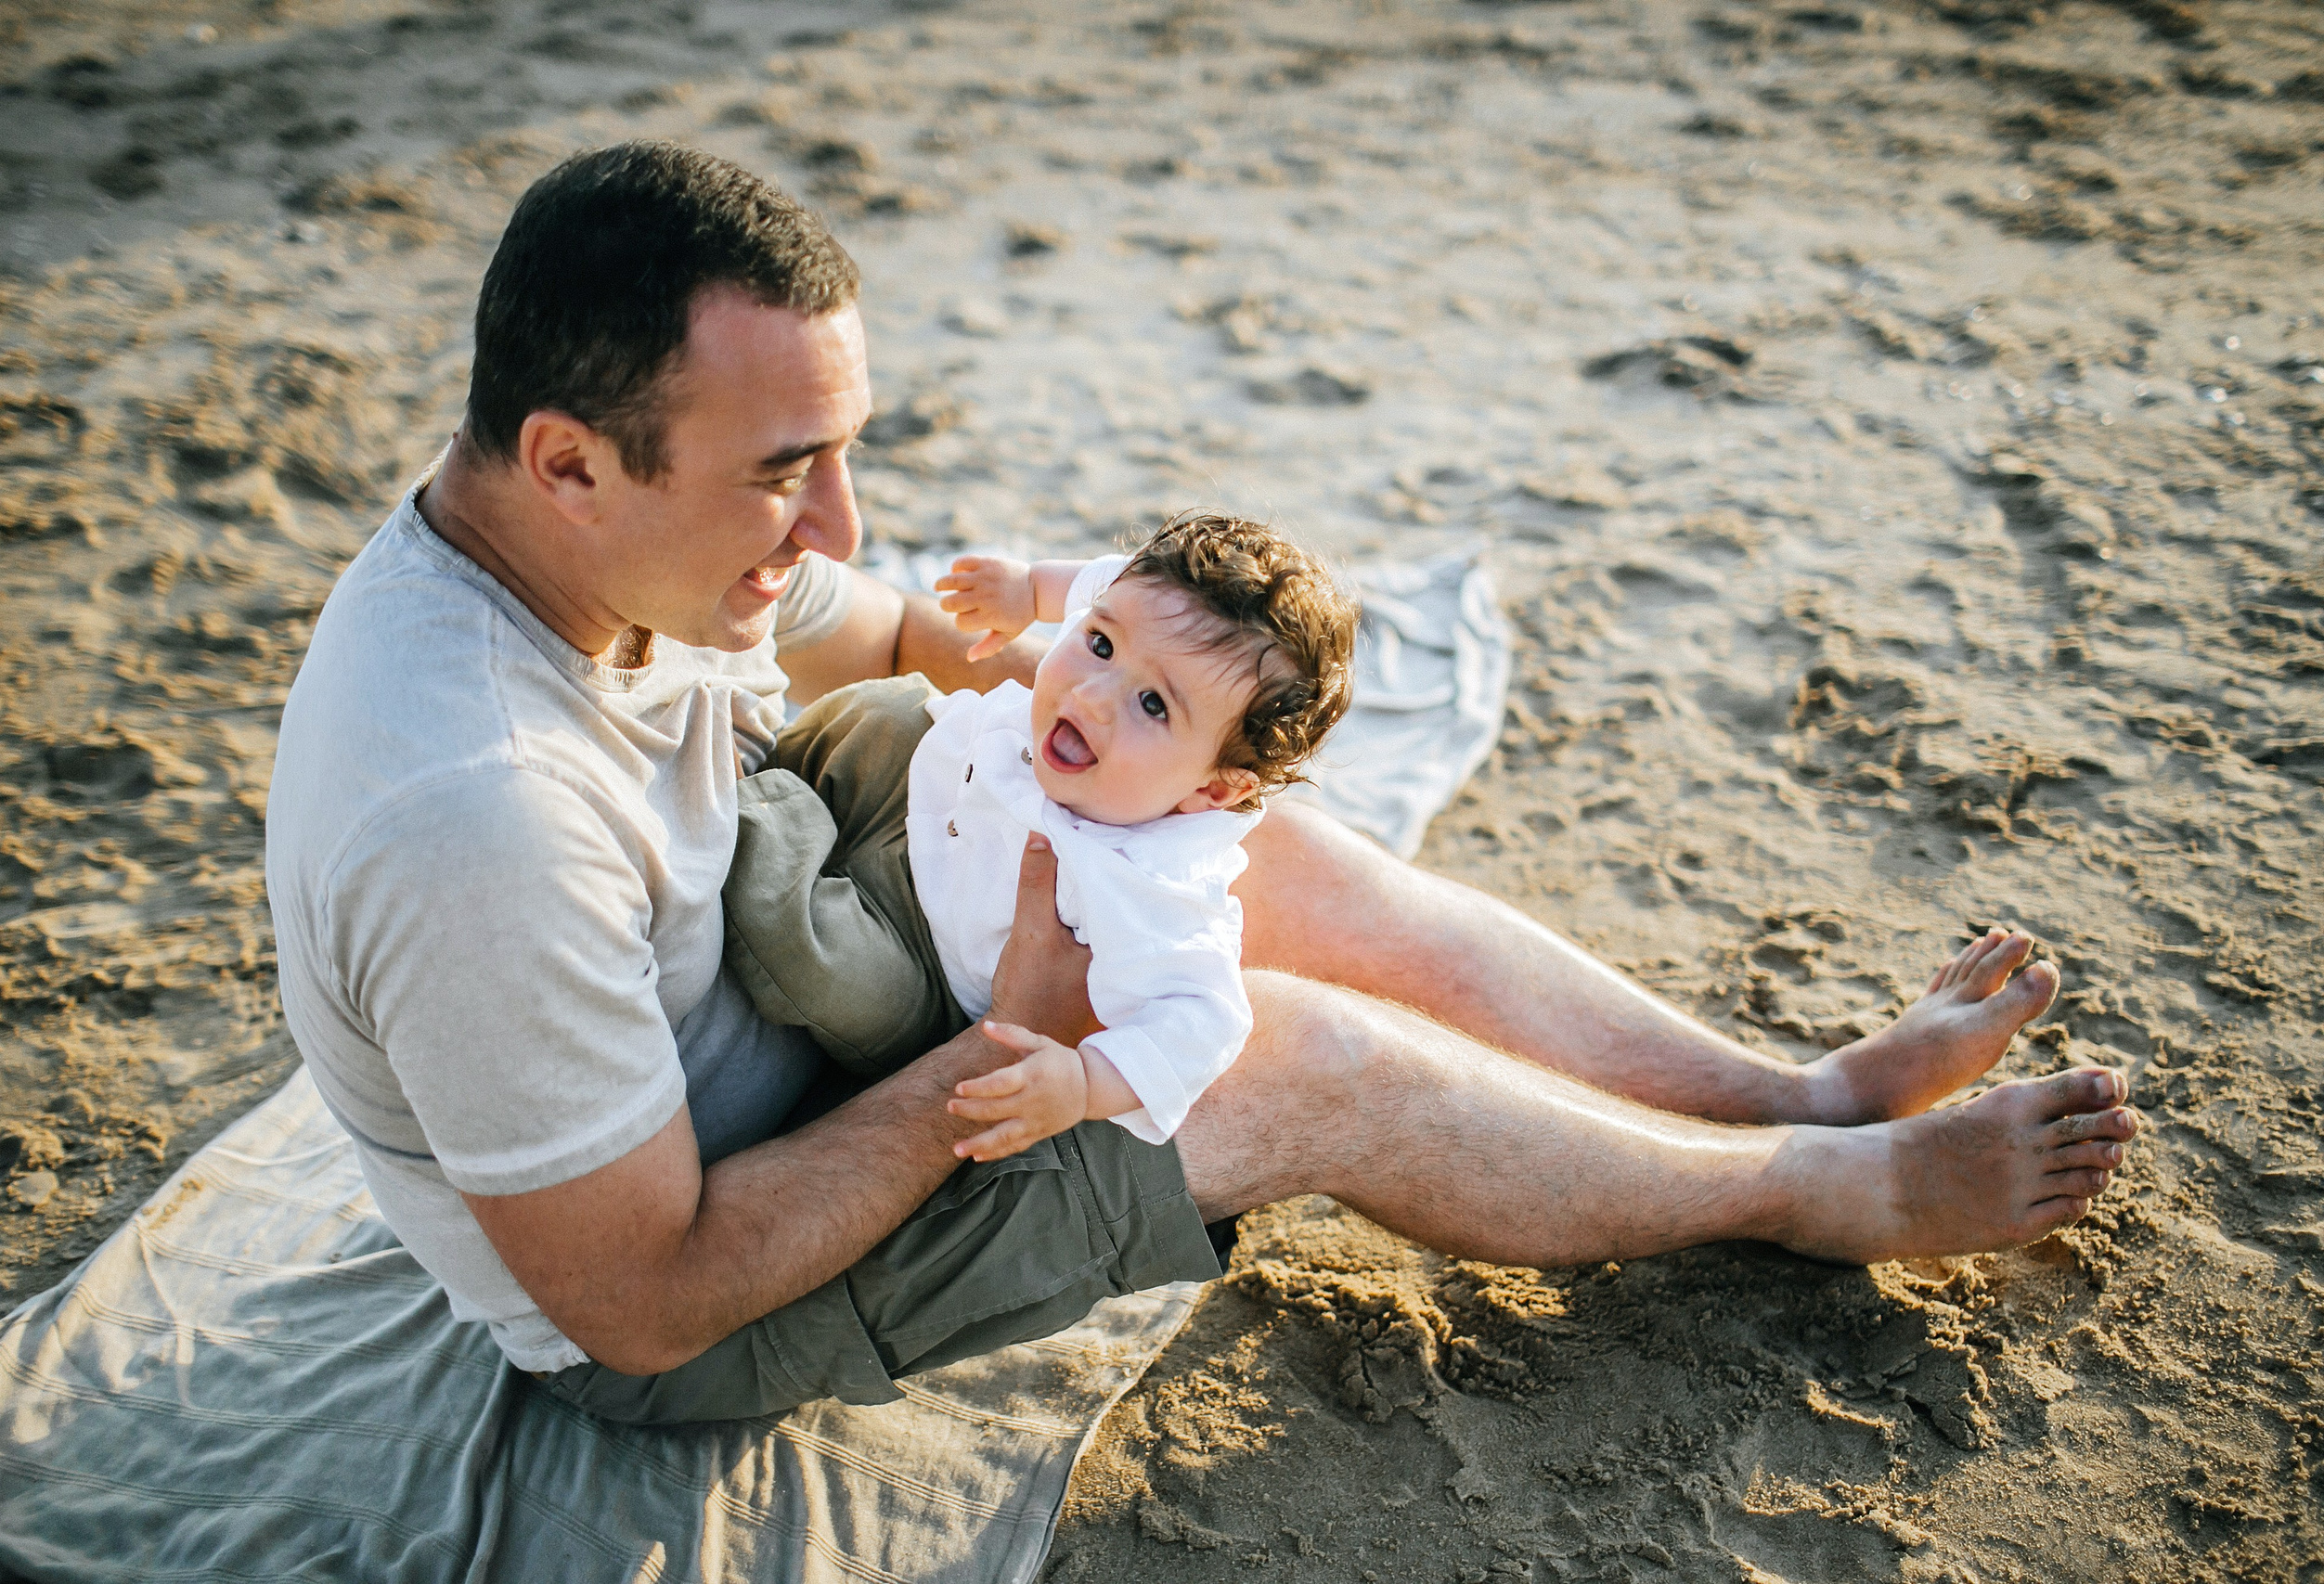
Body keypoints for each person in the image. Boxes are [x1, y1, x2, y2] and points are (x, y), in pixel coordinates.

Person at [265, 142, 2139, 1429]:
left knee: (1229, 832)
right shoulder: (474, 819)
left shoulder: (620, 540)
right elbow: (641, 1299)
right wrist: (1011, 1047)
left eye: (842, 453)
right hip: (705, 1280)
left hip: (824, 978)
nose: (831, 522)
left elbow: (894, 624)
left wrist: (1097, 696)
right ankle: (1810, 1190)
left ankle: (1795, 1092)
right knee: (1292, 1056)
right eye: (784, 473)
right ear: (568, 460)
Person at [719, 518, 1358, 1164]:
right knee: (885, 714)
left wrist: (1085, 1084)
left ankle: (740, 807)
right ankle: (775, 758)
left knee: (836, 974)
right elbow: (1110, 585)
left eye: (1153, 705)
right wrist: (1029, 591)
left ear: (1214, 789)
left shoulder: (1160, 884)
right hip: (935, 781)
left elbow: (1204, 1021)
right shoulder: (1142, 624)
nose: (1092, 695)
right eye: (1101, 645)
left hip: (926, 964)